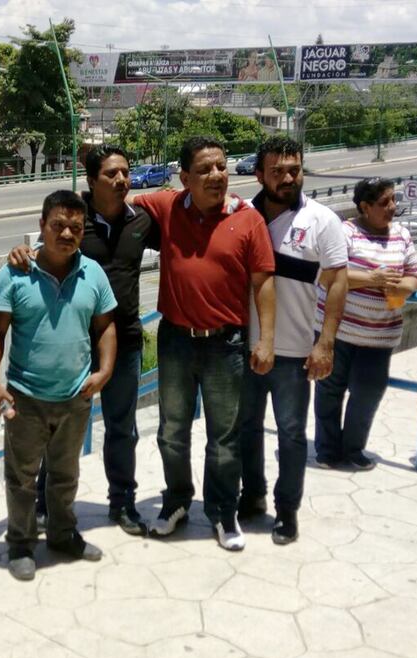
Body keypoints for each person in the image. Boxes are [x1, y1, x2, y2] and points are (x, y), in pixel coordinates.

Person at [8, 145, 159, 536]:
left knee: (122, 427)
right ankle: (44, 506)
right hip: (72, 344)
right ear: (92, 180)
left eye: (126, 172)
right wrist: (20, 252)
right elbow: (39, 251)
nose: (122, 180)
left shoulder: (141, 220)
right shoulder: (74, 220)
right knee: (52, 429)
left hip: (122, 341)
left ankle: (122, 503)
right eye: (111, 174)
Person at [133, 136, 276, 551]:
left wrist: (264, 340)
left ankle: (222, 513)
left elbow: (264, 284)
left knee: (224, 437)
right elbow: (118, 205)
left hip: (226, 345)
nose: (217, 176)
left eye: (221, 166)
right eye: (205, 170)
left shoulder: (248, 219)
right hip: (176, 340)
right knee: (171, 432)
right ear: (184, 178)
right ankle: (176, 502)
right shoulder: (166, 206)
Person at [0, 191, 118, 582]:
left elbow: (105, 325)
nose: (66, 233)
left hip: (76, 396)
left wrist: (104, 371)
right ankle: (21, 543)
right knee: (21, 478)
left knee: (65, 474)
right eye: (58, 225)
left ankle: (62, 535)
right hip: (25, 397)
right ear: (42, 226)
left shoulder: (92, 272)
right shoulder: (16, 273)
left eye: (75, 227)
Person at [237, 136, 348, 545]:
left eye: (294, 170)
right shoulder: (242, 215)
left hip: (295, 352)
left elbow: (338, 282)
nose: (288, 178)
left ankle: (288, 512)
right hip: (244, 347)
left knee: (291, 434)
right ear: (259, 174)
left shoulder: (322, 220)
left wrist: (326, 343)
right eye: (278, 171)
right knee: (246, 427)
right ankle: (252, 497)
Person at [313, 178, 417, 471]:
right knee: (330, 390)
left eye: (393, 200)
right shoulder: (343, 232)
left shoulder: (401, 235)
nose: (392, 207)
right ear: (364, 207)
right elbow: (326, 274)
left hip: (379, 335)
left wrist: (401, 289)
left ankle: (354, 449)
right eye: (385, 202)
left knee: (368, 392)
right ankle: (326, 450)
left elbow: (414, 274)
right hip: (338, 331)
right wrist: (371, 279)